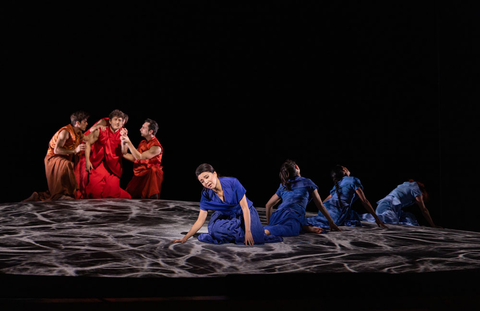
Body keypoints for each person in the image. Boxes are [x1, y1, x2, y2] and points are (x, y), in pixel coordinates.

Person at [171, 163, 283, 246]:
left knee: (256, 238)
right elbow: (200, 220)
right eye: (202, 181)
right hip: (226, 217)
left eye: (207, 177)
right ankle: (239, 231)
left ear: (214, 174)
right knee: (216, 232)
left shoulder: (232, 182)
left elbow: (245, 208)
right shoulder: (206, 194)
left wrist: (248, 232)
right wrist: (185, 238)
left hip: (245, 213)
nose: (206, 182)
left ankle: (248, 230)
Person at [264, 160, 341, 237]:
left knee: (284, 226)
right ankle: (265, 232)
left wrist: (269, 223)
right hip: (292, 215)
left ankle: (302, 226)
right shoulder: (307, 182)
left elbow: (268, 205)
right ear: (296, 167)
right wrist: (331, 222)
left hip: (277, 215)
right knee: (287, 229)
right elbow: (320, 205)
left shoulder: (284, 185)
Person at [24, 111, 89, 201]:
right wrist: (75, 150)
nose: (87, 123)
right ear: (78, 123)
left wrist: (99, 126)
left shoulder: (79, 134)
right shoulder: (65, 132)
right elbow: (56, 150)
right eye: (85, 121)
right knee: (67, 165)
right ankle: (61, 196)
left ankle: (38, 196)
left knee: (68, 168)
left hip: (62, 159)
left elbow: (90, 137)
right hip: (52, 158)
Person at [306, 165, 387, 229]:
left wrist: (321, 209)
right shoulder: (352, 179)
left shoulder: (338, 183)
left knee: (352, 215)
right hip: (336, 212)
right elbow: (364, 201)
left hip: (326, 210)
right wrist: (376, 218)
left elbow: (326, 200)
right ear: (344, 170)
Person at [84, 109, 131, 199]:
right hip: (99, 164)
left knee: (112, 194)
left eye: (120, 120)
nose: (117, 122)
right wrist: (87, 161)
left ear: (122, 122)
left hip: (114, 167)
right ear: (110, 121)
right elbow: (88, 143)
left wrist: (124, 139)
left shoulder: (123, 135)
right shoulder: (101, 130)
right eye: (115, 119)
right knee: (94, 192)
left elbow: (124, 152)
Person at [362, 180, 442, 227]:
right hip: (386, 206)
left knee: (410, 219)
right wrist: (433, 225)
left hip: (392, 208)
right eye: (422, 199)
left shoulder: (407, 185)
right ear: (422, 193)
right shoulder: (417, 190)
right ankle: (361, 218)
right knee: (392, 221)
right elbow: (424, 210)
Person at [122, 118, 163, 199]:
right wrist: (124, 139)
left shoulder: (156, 147)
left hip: (150, 176)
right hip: (140, 173)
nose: (140, 129)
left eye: (143, 128)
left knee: (154, 170)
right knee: (129, 195)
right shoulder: (143, 143)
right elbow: (132, 157)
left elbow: (139, 157)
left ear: (150, 131)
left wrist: (128, 142)